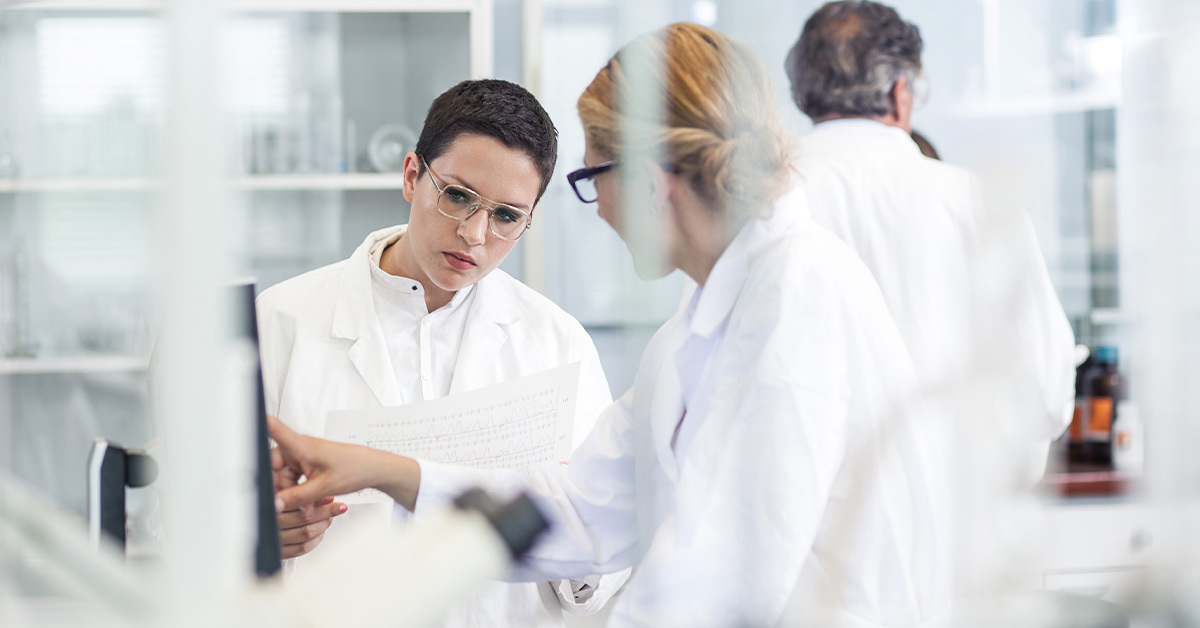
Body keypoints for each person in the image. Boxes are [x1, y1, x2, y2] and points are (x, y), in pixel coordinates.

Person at [270, 22, 947, 626]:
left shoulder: (799, 298)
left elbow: (720, 581)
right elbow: (579, 507)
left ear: (653, 184)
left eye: (593, 178)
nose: (596, 211)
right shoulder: (699, 325)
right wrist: (386, 470)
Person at [255, 79, 627, 626]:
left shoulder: (557, 341)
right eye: (457, 196)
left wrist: (566, 523)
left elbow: (606, 552)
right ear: (412, 175)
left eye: (505, 216)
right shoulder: (280, 321)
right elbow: (186, 512)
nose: (474, 234)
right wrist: (262, 529)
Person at [784, 1, 1077, 471]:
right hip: (951, 515)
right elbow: (1044, 392)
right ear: (902, 92)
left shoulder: (762, 200)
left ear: (804, 93)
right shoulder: (974, 202)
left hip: (809, 521)